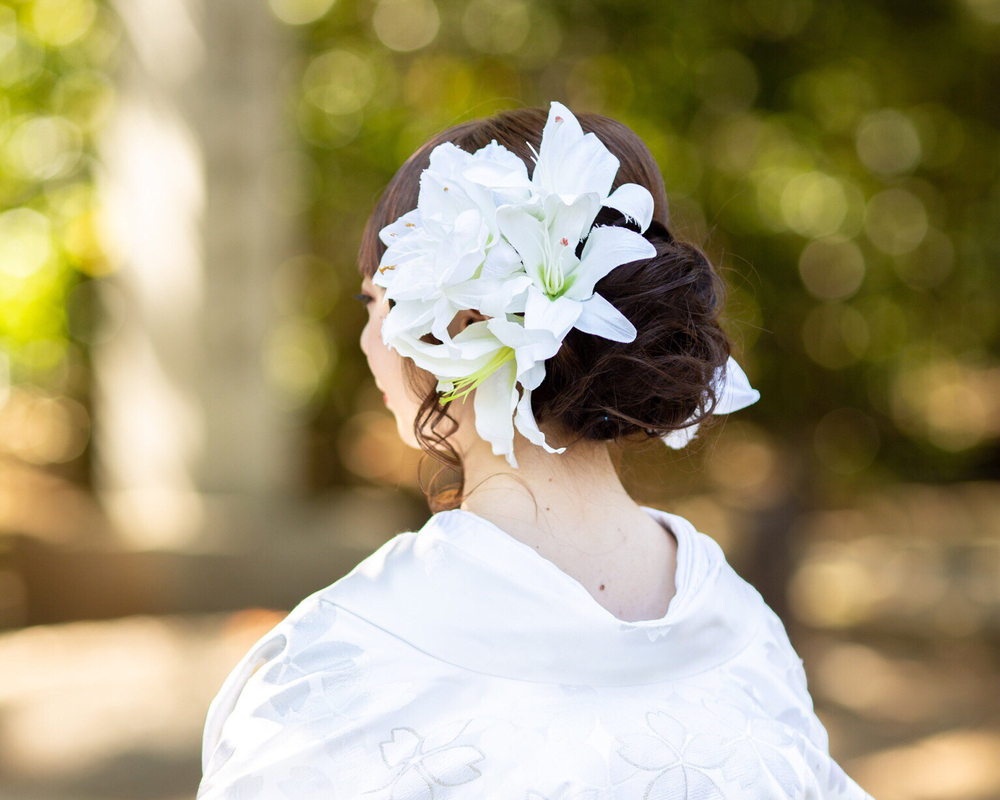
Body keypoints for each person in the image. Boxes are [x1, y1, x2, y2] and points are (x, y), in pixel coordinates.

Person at [196, 103, 875, 799]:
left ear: (458, 318)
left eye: (375, 301)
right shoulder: (742, 632)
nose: (369, 339)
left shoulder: (338, 661)